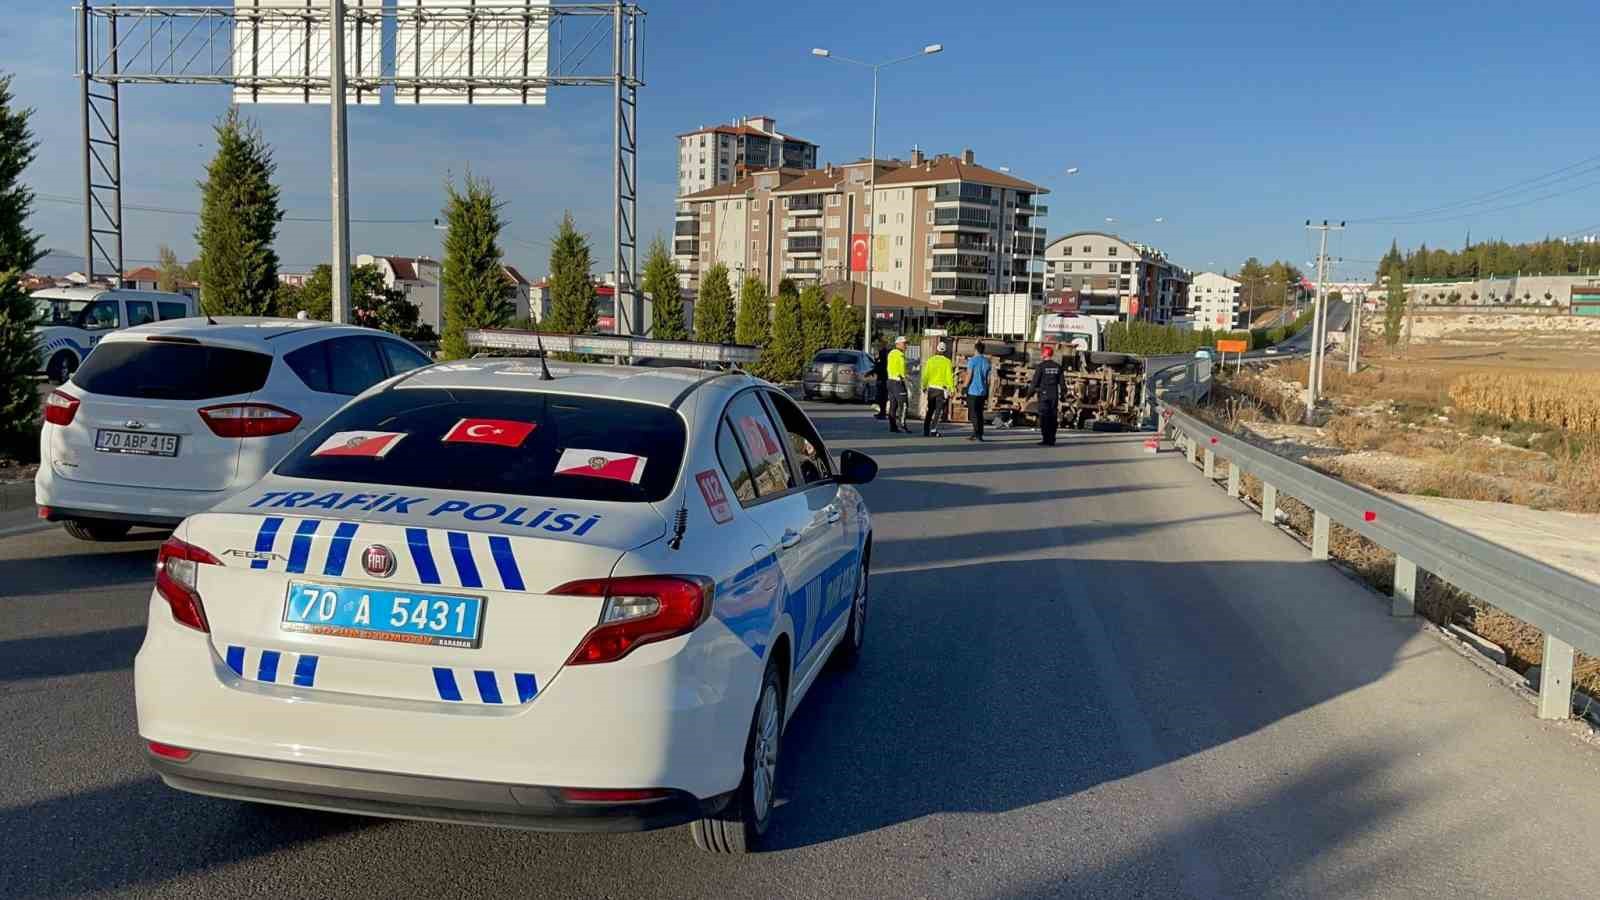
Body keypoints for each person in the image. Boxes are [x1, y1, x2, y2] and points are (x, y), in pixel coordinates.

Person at [1030, 344, 1064, 446]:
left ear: (1044, 354)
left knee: (1044, 417)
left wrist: (1029, 395)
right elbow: (1062, 383)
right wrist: (1063, 394)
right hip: (1054, 395)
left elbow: (1034, 383)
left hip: (1044, 395)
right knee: (1053, 417)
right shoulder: (1058, 367)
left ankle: (1046, 439)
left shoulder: (1040, 367)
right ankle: (1052, 439)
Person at [921, 340, 955, 437]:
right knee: (938, 410)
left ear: (937, 350)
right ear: (944, 351)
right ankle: (933, 430)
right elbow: (949, 377)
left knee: (930, 409)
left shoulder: (930, 360)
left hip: (931, 389)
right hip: (941, 390)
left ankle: (925, 430)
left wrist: (924, 386)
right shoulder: (947, 362)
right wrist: (951, 389)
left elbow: (926, 375)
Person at [962, 341, 992, 442]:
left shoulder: (972, 361)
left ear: (975, 349)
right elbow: (988, 379)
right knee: (979, 413)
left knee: (973, 413)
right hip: (983, 391)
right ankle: (978, 433)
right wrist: (987, 390)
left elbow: (969, 375)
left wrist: (964, 387)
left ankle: (977, 433)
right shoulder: (987, 362)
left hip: (973, 391)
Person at [886, 336, 909, 433]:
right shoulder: (900, 354)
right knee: (904, 404)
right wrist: (904, 377)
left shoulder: (891, 353)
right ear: (898, 344)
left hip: (890, 381)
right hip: (898, 382)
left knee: (893, 405)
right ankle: (902, 425)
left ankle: (893, 427)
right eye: (904, 343)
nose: (906, 346)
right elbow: (902, 368)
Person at [872, 340, 889, 419]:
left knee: (882, 397)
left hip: (883, 379)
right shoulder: (884, 354)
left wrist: (874, 367)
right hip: (883, 378)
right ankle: (882, 413)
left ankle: (882, 413)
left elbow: (880, 366)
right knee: (881, 397)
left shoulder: (884, 354)